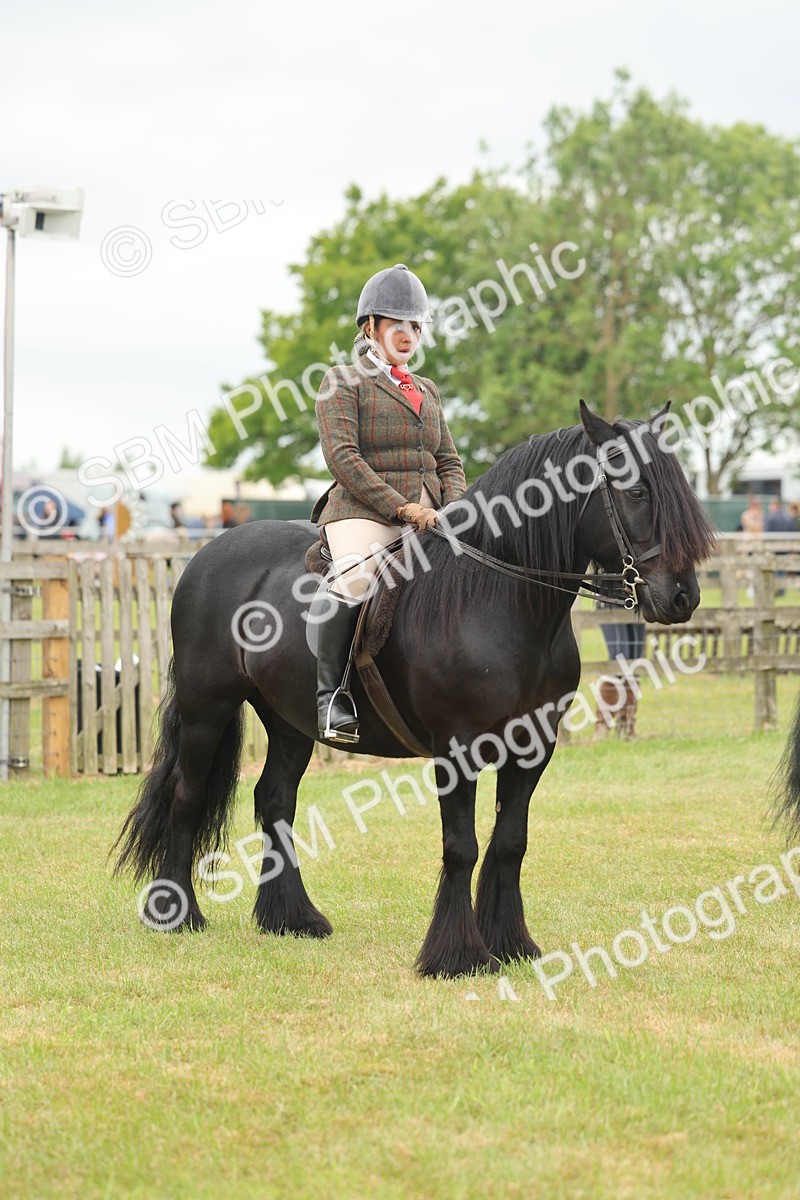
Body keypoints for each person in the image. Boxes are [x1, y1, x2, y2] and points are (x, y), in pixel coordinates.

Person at [310, 263, 468, 744]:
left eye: (415, 325)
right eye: (397, 323)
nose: (408, 334)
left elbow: (449, 460)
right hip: (365, 512)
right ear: (370, 328)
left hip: (432, 516)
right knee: (356, 575)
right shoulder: (342, 381)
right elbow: (344, 458)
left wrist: (455, 507)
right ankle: (330, 697)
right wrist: (404, 508)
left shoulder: (427, 390)